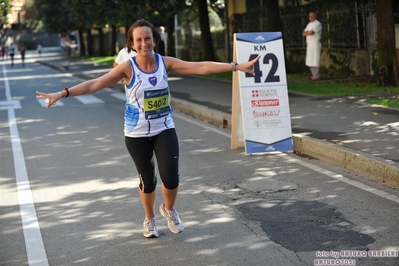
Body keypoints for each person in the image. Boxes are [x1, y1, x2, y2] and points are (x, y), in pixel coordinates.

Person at [36, 19, 259, 239]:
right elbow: (95, 83)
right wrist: (62, 93)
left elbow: (200, 66)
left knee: (171, 178)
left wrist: (237, 66)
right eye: (139, 40)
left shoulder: (165, 63)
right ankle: (150, 218)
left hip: (164, 128)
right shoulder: (127, 68)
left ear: (155, 40)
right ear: (132, 44)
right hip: (136, 134)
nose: (144, 44)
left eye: (148, 38)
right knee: (148, 181)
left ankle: (169, 210)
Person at [302, 12, 322, 81]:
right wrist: (308, 32)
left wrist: (308, 32)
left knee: (315, 59)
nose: (311, 18)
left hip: (315, 43)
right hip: (309, 44)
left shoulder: (318, 23)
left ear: (315, 17)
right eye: (310, 16)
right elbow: (304, 33)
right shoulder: (309, 24)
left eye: (312, 16)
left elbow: (311, 32)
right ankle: (313, 74)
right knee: (310, 60)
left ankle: (316, 75)